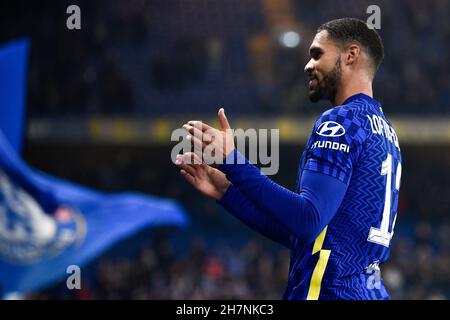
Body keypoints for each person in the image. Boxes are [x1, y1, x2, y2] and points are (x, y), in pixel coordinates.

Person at [176, 18, 402, 300]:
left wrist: (232, 161)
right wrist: (228, 192)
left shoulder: (342, 121)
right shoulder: (386, 133)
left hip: (329, 293)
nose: (308, 65)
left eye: (317, 54)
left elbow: (307, 219)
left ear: (351, 55)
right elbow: (312, 237)